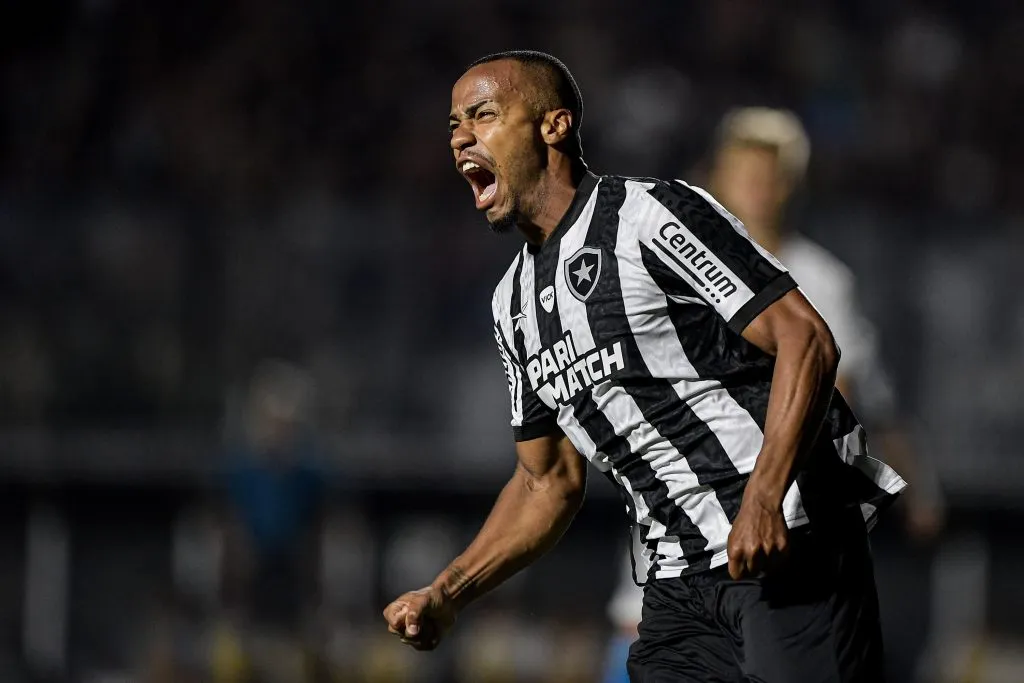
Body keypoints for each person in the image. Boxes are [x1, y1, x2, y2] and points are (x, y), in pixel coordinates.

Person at [382, 50, 906, 682]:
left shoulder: (648, 215)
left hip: (787, 544)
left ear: (553, 125)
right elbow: (545, 483)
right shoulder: (511, 306)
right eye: (453, 125)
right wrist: (450, 591)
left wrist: (763, 499)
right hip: (676, 589)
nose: (461, 135)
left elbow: (806, 338)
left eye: (483, 114)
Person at [599, 107, 947, 683]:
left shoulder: (820, 279)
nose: (758, 189)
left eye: (771, 175)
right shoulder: (661, 271)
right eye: (744, 173)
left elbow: (845, 399)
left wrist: (918, 486)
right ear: (716, 177)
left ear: (792, 185)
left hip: (775, 549)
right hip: (668, 556)